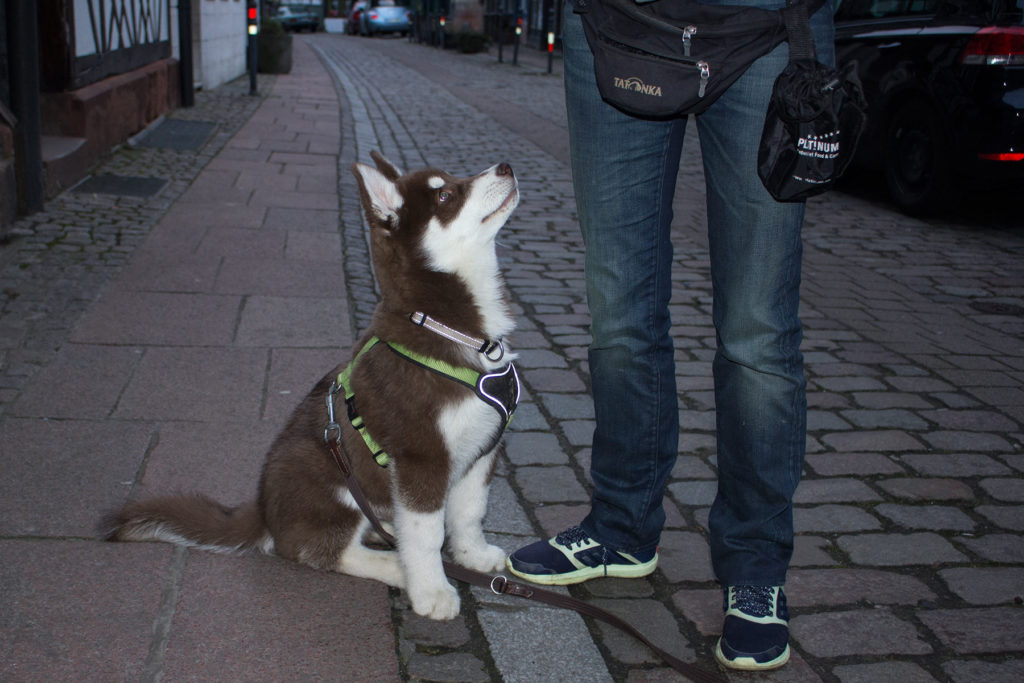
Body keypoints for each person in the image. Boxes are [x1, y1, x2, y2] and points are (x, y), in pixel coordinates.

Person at [506, 0, 836, 672]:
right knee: (618, 309)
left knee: (756, 328)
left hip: (767, 27)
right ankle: (621, 528)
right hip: (618, 22)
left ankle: (756, 567)